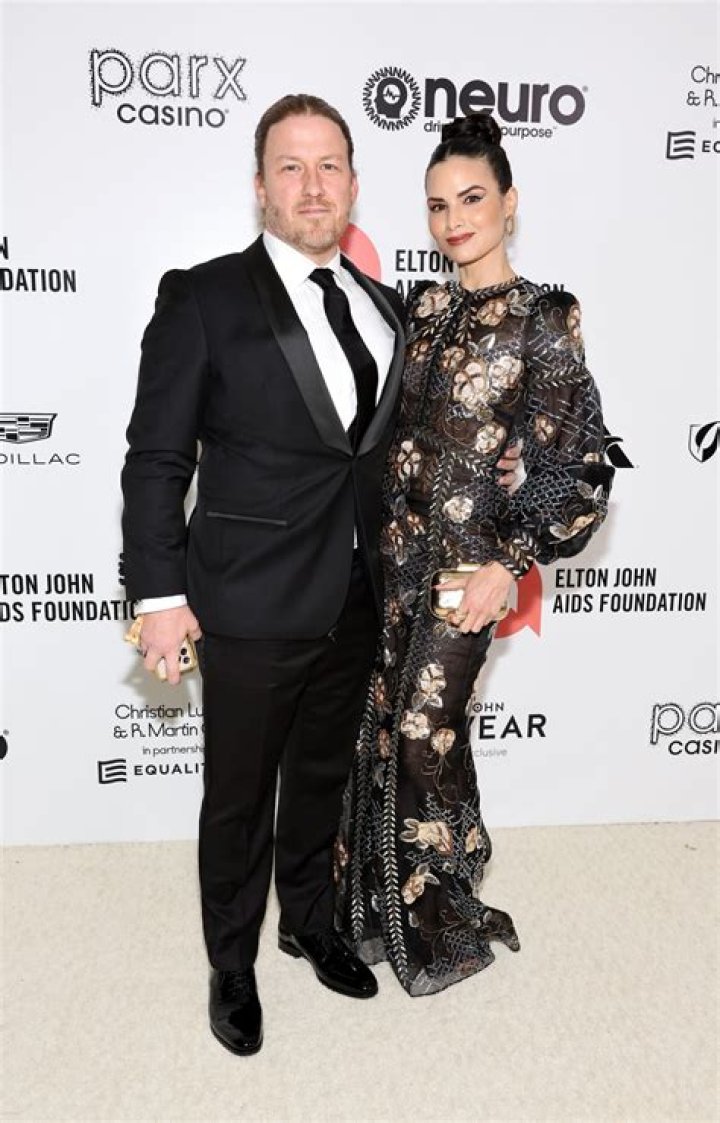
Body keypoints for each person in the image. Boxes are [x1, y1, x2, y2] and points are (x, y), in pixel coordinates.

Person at [121, 93, 523, 1054]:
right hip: (248, 598)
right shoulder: (203, 297)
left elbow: (414, 443)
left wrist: (502, 466)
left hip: (358, 594)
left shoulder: (388, 308)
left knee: (319, 778)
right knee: (239, 795)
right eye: (291, 167)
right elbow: (156, 459)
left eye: (330, 165)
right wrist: (159, 595)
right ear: (261, 186)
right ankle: (231, 962)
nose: (313, 186)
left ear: (353, 183)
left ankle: (308, 921)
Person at [335, 112, 615, 998]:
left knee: (426, 732)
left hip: (469, 566)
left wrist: (512, 560)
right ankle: (380, 907)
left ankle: (440, 912)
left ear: (509, 202)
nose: (454, 220)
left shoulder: (545, 317)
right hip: (394, 554)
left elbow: (583, 462)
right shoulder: (422, 308)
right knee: (388, 727)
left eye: (471, 199)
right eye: (437, 205)